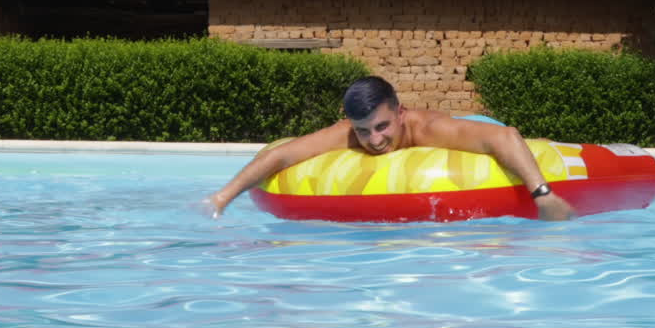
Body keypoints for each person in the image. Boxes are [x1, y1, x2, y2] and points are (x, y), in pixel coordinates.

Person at [203, 76, 577, 221]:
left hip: (472, 126)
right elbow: (281, 155)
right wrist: (222, 198)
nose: (375, 140)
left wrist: (543, 195)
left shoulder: (428, 129)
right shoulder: (349, 133)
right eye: (364, 131)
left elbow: (505, 137)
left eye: (382, 126)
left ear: (400, 113)